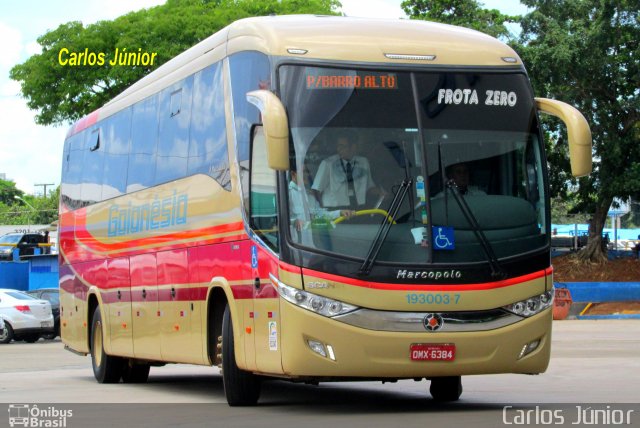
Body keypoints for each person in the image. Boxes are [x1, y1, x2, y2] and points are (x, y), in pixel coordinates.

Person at [311, 133, 383, 210]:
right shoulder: (328, 164)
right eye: (338, 146)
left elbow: (369, 187)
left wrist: (381, 193)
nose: (339, 149)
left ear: (353, 147)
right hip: (334, 209)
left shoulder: (364, 162)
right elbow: (316, 190)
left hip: (358, 208)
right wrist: (321, 211)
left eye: (342, 146)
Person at [289, 166, 354, 233]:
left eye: (308, 172)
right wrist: (294, 222)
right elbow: (279, 220)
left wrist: (340, 212)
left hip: (309, 240)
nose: (307, 174)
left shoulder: (310, 196)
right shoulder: (285, 194)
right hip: (291, 241)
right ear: (293, 174)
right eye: (304, 171)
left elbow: (321, 215)